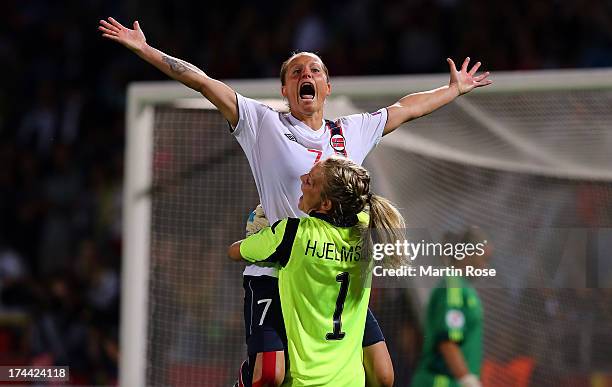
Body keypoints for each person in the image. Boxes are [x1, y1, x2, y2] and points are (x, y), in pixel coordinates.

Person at [98, 17, 492, 387]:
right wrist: (147, 51)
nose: (306, 75)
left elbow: (406, 108)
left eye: (315, 70)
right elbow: (203, 82)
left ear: (327, 88)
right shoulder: (262, 124)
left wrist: (453, 89)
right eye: (296, 72)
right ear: (285, 89)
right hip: (277, 270)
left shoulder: (350, 133)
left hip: (330, 276)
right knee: (271, 374)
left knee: (384, 376)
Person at [228, 156, 405, 386]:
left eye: (310, 181)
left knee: (266, 373)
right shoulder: (366, 231)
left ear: (326, 204)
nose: (302, 179)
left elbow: (234, 252)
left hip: (304, 383)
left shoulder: (293, 234)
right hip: (350, 383)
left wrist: (257, 237)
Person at [411, 227, 491, 387]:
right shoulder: (453, 288)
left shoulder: (462, 287)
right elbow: (448, 340)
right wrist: (468, 380)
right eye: (484, 258)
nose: (485, 266)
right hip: (441, 382)